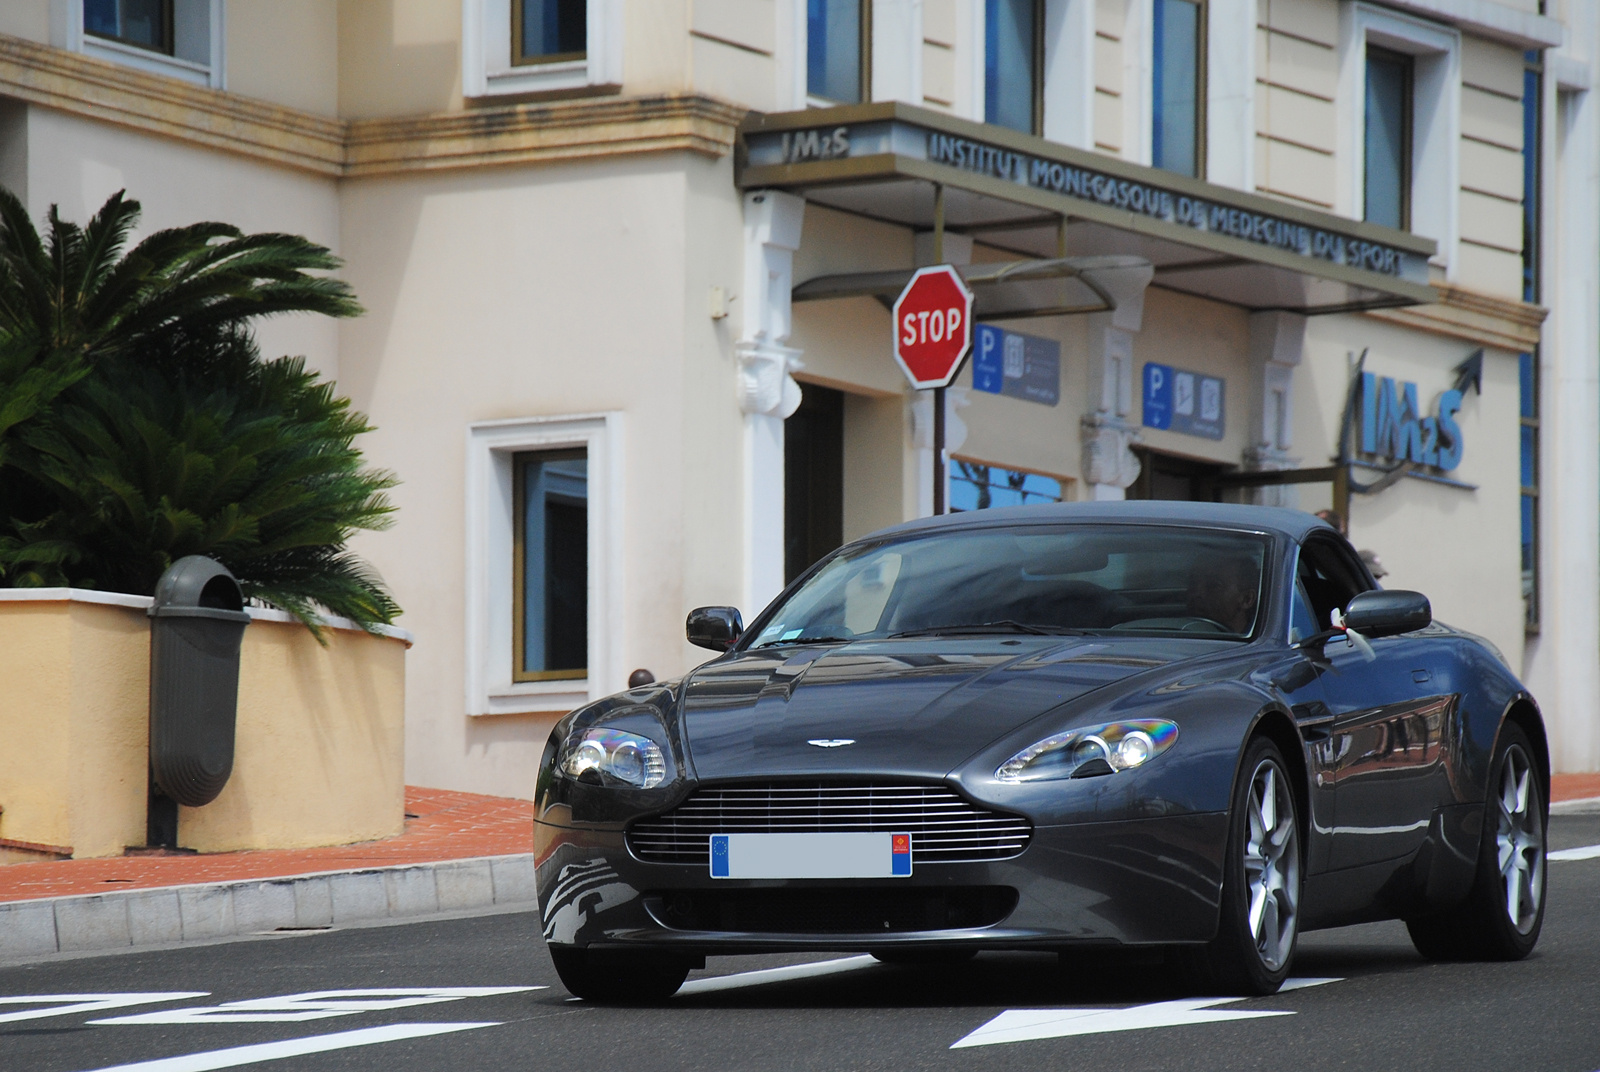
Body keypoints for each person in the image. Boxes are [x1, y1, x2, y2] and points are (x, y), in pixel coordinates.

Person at [1185, 555, 1261, 634]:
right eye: (1193, 583)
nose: (1197, 593)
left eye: (1213, 585)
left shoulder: (1263, 640)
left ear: (1247, 599)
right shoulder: (1178, 634)